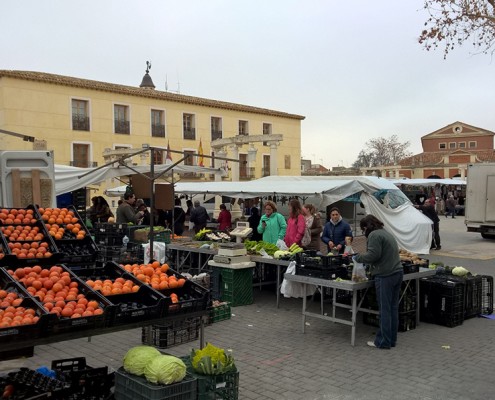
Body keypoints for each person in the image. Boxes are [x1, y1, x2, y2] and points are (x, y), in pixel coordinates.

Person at [353, 214, 403, 350]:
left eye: (363, 230)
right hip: (397, 272)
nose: (364, 233)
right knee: (393, 308)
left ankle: (383, 342)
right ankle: (391, 339)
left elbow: (373, 255)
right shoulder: (385, 233)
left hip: (385, 275)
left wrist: (358, 257)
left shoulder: (374, 235)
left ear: (366, 227)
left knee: (384, 310)